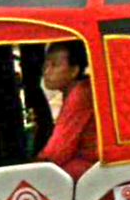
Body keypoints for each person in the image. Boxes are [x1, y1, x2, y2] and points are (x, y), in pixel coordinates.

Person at [37, 41, 98, 181]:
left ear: (74, 71)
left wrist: (36, 165)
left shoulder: (80, 94)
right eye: (46, 65)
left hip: (89, 165)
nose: (47, 71)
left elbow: (58, 150)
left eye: (54, 65)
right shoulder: (77, 90)